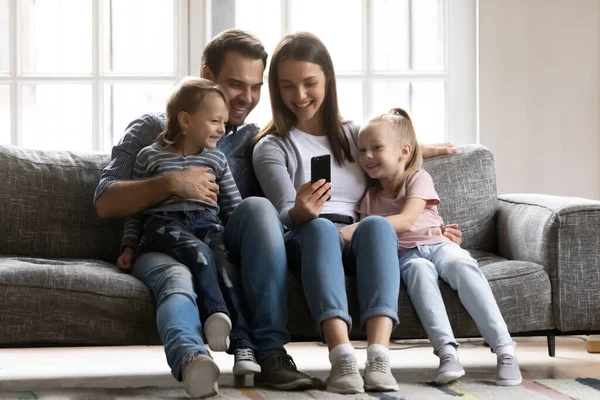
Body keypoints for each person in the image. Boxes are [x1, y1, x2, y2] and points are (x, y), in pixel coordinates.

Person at [94, 30, 313, 398]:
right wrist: (172, 183)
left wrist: (411, 153)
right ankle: (194, 361)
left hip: (219, 241)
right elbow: (105, 200)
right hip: (166, 242)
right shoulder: (153, 129)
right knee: (177, 276)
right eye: (235, 84)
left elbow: (335, 139)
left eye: (256, 87)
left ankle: (271, 353)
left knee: (257, 207)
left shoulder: (255, 139)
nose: (247, 97)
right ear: (205, 76)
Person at [252, 31, 462, 394]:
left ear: (328, 81)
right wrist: (302, 211)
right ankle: (343, 358)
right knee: (319, 228)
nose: (299, 96)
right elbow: (285, 212)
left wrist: (423, 156)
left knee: (378, 225)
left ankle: (379, 356)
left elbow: (389, 154)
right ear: (275, 88)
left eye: (309, 83)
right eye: (287, 86)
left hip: (357, 233)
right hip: (307, 237)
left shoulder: (354, 135)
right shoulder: (272, 146)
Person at [348, 107, 522, 387]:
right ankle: (447, 353)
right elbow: (375, 242)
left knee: (460, 264)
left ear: (403, 151)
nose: (367, 156)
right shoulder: (369, 198)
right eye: (362, 149)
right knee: (418, 272)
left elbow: (406, 220)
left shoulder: (417, 178)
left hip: (438, 243)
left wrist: (351, 230)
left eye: (376, 148)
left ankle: (504, 349)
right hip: (406, 256)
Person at [115, 78, 263, 397]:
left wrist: (239, 244)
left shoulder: (216, 160)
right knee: (199, 255)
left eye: (224, 122)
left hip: (207, 225)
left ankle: (243, 345)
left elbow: (234, 209)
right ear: (185, 120)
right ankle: (206, 330)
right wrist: (128, 245)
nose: (222, 129)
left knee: (223, 263)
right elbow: (136, 210)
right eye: (214, 121)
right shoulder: (149, 157)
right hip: (164, 226)